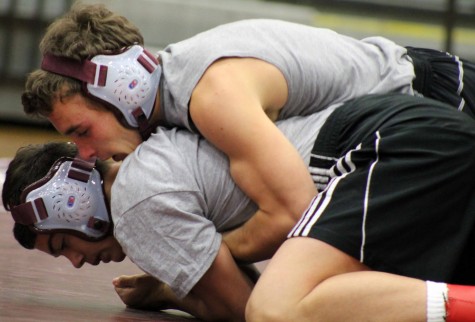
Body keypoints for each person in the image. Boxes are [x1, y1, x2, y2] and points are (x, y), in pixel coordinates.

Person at [20, 4, 475, 262]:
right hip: (403, 124)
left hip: (436, 101)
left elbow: (292, 210)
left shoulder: (212, 96)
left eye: (82, 131)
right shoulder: (183, 91)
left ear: (122, 85)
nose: (84, 152)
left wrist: (195, 263)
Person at [2, 106, 336, 321]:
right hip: (346, 142)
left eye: (63, 245)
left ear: (75, 202)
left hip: (348, 167)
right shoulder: (149, 147)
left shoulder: (133, 208)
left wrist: (171, 292)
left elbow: (242, 310)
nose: (76, 262)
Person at [245, 93, 475, 322]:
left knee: (277, 308)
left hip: (410, 137)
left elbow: (292, 211)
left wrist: (219, 247)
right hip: (417, 128)